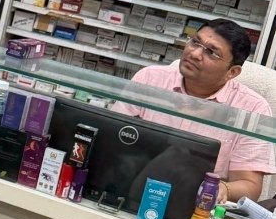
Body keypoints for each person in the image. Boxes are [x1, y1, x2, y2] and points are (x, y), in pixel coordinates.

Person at [114, 18, 276, 204]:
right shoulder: (150, 79)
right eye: (195, 42)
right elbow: (112, 137)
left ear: (232, 72)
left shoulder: (252, 108)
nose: (195, 53)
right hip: (132, 189)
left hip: (197, 207)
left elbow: (249, 185)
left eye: (211, 52)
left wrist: (222, 189)